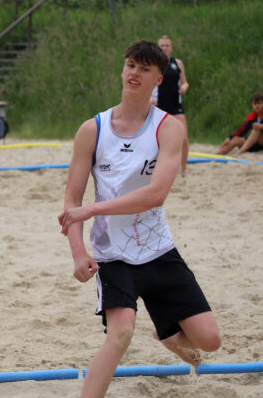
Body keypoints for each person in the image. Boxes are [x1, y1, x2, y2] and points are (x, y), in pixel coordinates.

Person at [58, 40, 221, 398]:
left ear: (158, 79)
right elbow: (73, 200)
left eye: (144, 69)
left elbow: (156, 194)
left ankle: (167, 335)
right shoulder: (93, 129)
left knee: (210, 341)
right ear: (122, 69)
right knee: (120, 334)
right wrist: (78, 253)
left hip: (158, 248)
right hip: (113, 254)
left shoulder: (168, 128)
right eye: (131, 65)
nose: (135, 73)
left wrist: (93, 208)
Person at [150, 35, 189, 176]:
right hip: (158, 105)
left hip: (175, 105)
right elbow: (148, 84)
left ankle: (183, 170)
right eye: (162, 45)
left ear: (171, 47)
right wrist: (149, 98)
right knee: (157, 141)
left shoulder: (177, 63)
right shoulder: (153, 64)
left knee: (183, 139)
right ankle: (154, 169)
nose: (164, 48)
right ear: (157, 47)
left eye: (167, 45)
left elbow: (184, 81)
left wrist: (184, 87)